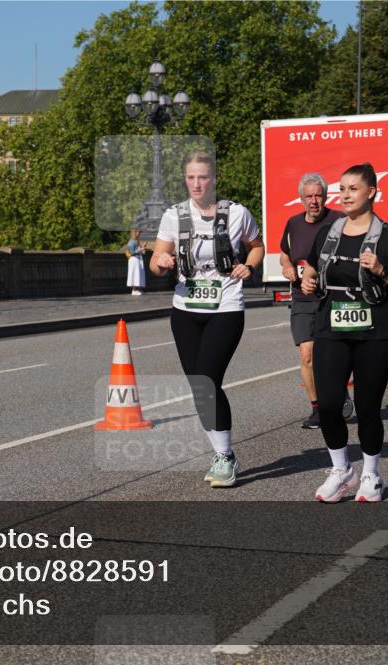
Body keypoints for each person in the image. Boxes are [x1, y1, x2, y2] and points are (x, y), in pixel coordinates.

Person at [300, 163, 388, 502]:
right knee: (328, 404)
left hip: (375, 331)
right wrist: (308, 279)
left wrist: (382, 271)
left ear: (371, 192)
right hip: (331, 326)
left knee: (368, 406)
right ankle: (341, 470)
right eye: (343, 188)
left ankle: (371, 473)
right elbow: (311, 268)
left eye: (353, 188)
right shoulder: (329, 231)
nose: (346, 195)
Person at [150, 152, 264, 487]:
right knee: (199, 387)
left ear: (214, 179)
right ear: (185, 179)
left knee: (208, 379)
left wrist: (250, 265)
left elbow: (256, 245)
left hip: (226, 305)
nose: (197, 184)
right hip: (185, 308)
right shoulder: (174, 215)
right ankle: (221, 453)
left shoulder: (237, 213)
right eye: (191, 178)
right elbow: (157, 259)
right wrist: (163, 262)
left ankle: (226, 458)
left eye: (203, 177)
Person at [279, 173, 352, 428]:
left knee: (333, 355)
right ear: (301, 199)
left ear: (325, 196)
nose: (313, 201)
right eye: (308, 196)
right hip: (301, 297)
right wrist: (287, 268)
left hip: (333, 297)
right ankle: (317, 407)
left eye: (318, 195)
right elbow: (284, 254)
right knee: (307, 354)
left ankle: (339, 393)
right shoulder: (293, 223)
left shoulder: (338, 221)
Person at [125, 228, 146, 295]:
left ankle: (138, 288)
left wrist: (142, 248)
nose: (139, 234)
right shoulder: (131, 242)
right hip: (133, 260)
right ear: (135, 233)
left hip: (138, 259)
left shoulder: (137, 241)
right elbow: (132, 252)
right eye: (138, 232)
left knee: (138, 274)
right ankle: (134, 289)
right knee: (134, 274)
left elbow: (139, 250)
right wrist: (141, 249)